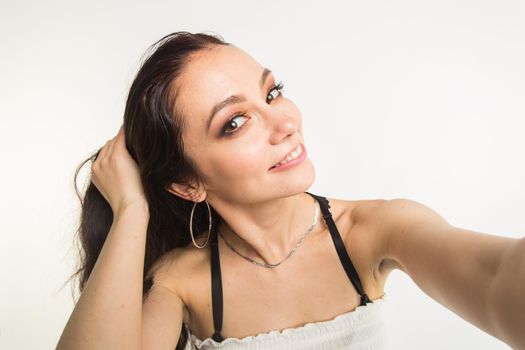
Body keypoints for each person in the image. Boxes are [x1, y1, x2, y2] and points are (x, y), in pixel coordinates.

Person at [56, 31, 525, 350]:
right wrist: (131, 209)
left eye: (272, 92)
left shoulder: (373, 231)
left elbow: (496, 276)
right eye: (235, 123)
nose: (285, 123)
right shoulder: (184, 281)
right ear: (187, 183)